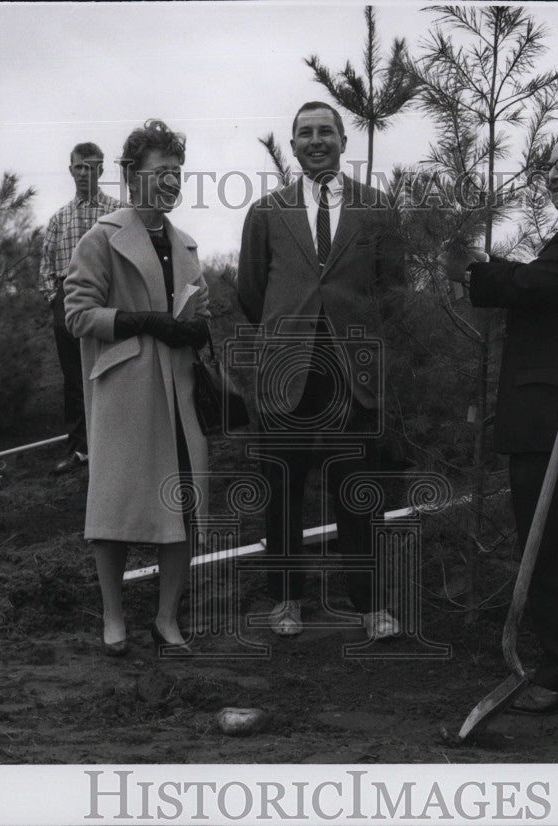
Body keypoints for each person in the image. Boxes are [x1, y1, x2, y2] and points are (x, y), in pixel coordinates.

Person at [444, 132, 558, 715]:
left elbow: (535, 285)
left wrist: (480, 269)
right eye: (547, 167)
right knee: (553, 543)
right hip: (549, 415)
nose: (552, 175)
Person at [237, 101, 406, 641]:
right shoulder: (266, 213)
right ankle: (286, 599)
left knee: (357, 488)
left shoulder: (377, 209)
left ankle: (369, 604)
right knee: (283, 488)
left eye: (326, 132)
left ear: (342, 140)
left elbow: (392, 291)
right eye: (305, 133)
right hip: (287, 371)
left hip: (352, 370)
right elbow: (251, 293)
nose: (316, 140)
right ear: (292, 147)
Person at [64, 120, 209, 656]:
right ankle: (113, 618)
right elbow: (78, 315)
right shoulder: (100, 237)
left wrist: (198, 325)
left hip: (179, 389)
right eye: (162, 172)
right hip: (126, 387)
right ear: (131, 175)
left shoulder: (185, 242)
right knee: (116, 505)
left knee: (182, 504)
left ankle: (167, 620)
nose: (172, 182)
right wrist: (143, 322)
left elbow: (200, 307)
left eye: (178, 172)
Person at [39, 142, 122, 475]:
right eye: (78, 167)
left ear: (101, 170)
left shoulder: (118, 212)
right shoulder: (59, 219)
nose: (84, 173)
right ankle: (79, 450)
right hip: (67, 299)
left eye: (91, 167)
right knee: (74, 378)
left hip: (107, 298)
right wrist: (55, 301)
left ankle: (115, 446)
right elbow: (45, 266)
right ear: (70, 169)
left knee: (111, 369)